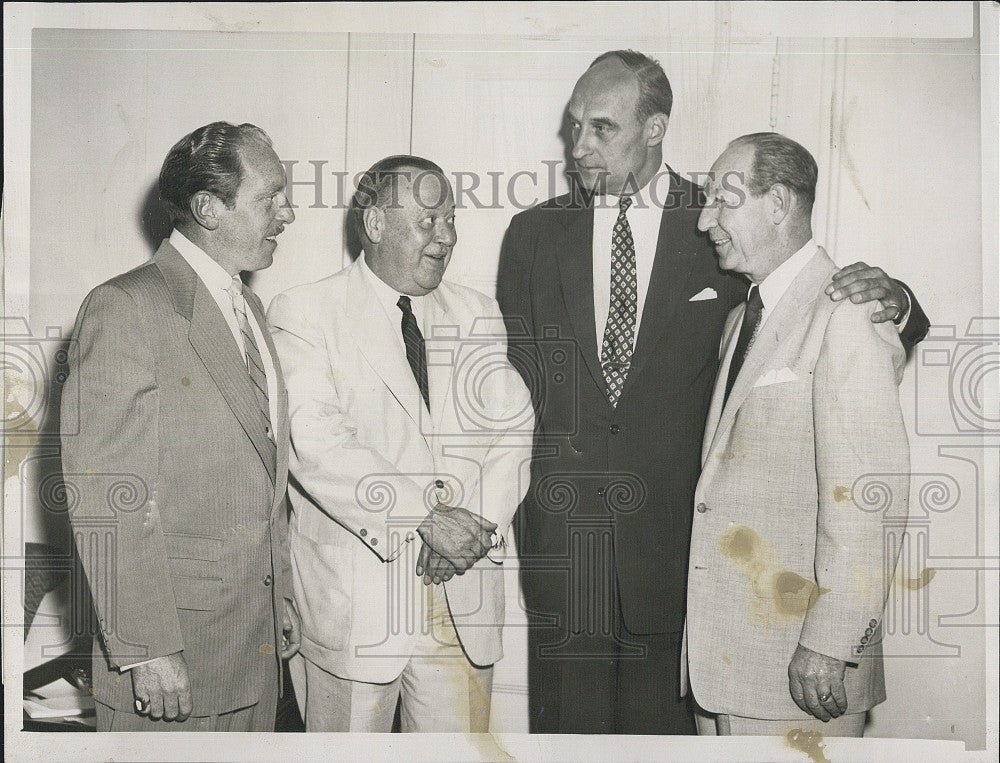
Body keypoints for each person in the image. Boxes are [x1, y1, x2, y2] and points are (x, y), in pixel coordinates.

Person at [496, 50, 929, 734]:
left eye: (601, 128)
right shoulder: (532, 236)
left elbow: (815, 311)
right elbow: (512, 396)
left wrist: (898, 299)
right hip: (566, 566)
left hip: (688, 579)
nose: (578, 146)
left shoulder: (726, 226)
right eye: (572, 126)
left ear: (655, 127)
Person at [268, 155, 533, 732]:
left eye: (451, 220)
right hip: (358, 607)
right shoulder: (305, 311)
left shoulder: (478, 314)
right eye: (429, 221)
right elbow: (317, 443)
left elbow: (512, 431)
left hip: (460, 591)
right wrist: (425, 518)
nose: (448, 237)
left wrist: (473, 527)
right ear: (377, 224)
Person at [61, 121, 299, 731]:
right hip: (174, 662)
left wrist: (280, 596)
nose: (288, 213)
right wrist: (148, 650)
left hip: (252, 649)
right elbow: (107, 495)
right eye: (269, 197)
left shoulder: (245, 305)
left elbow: (260, 469)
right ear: (206, 208)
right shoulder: (125, 307)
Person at [685, 132, 908, 736]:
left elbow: (869, 497)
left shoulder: (848, 313)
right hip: (726, 665)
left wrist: (832, 643)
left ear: (779, 203)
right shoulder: (741, 320)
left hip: (803, 674)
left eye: (721, 202)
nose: (706, 221)